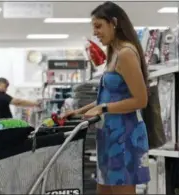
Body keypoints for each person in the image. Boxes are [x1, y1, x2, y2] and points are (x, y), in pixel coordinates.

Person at [63, 1, 150, 194]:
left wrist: (103, 109)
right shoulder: (113, 54)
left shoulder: (126, 54)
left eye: (99, 26)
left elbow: (140, 100)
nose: (95, 32)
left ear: (115, 23)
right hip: (109, 136)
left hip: (125, 138)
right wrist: (78, 111)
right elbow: (108, 97)